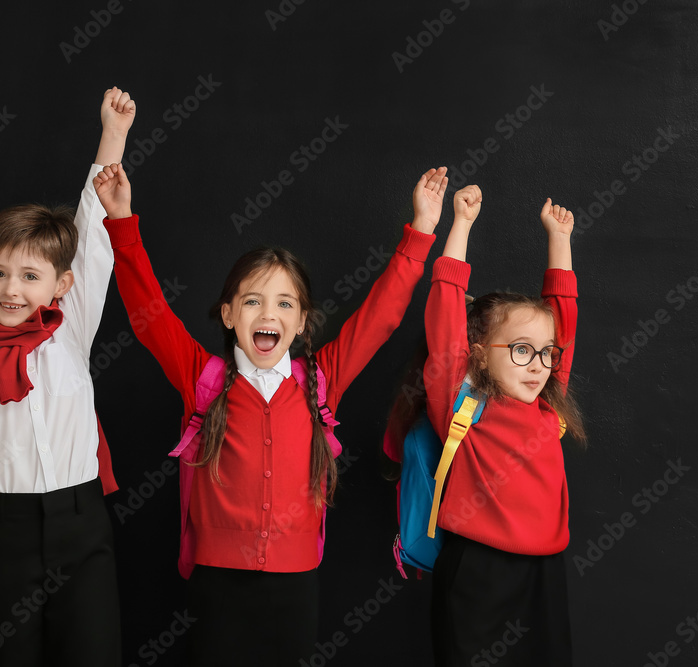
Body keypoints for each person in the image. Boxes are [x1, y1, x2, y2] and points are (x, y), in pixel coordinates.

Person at [92, 162, 443, 666]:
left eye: (284, 303)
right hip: (217, 578)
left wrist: (422, 230)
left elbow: (380, 318)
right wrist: (121, 221)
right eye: (252, 301)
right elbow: (150, 315)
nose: (268, 314)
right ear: (229, 315)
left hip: (296, 580)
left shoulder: (321, 378)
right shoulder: (203, 377)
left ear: (301, 322)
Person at [0, 86, 136, 667]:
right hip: (3, 536)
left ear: (59, 285)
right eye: (0, 273)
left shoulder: (71, 326)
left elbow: (91, 240)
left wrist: (112, 137)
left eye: (31, 275)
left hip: (82, 527)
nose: (13, 289)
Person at [417, 185, 585, 666]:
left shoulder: (547, 411)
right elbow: (445, 313)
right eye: (520, 349)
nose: (537, 365)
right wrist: (462, 225)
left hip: (543, 575)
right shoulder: (462, 406)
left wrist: (559, 238)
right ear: (478, 356)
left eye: (545, 353)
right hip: (477, 572)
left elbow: (564, 322)